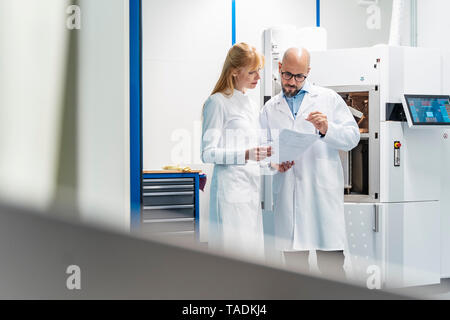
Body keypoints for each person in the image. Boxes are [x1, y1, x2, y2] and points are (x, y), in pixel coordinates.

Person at [260, 47, 360, 279]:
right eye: (287, 75)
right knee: (295, 271)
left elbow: (352, 138)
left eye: (299, 76)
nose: (292, 82)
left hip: (321, 195)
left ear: (308, 73)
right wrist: (273, 162)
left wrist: (327, 129)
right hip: (288, 195)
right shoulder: (270, 108)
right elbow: (263, 148)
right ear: (280, 68)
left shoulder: (327, 99)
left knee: (332, 267)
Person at [201, 43, 271, 260]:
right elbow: (207, 153)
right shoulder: (217, 102)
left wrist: (272, 162)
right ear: (234, 71)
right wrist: (245, 155)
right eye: (252, 72)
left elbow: (253, 147)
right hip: (230, 194)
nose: (258, 78)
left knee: (252, 259)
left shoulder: (250, 104)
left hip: (250, 191)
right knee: (233, 259)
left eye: (258, 71)